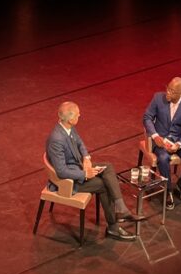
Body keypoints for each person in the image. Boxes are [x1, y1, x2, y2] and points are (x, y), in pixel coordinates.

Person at [46, 101, 141, 241]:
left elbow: (79, 142)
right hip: (68, 182)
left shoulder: (67, 127)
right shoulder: (57, 139)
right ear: (71, 119)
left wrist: (86, 158)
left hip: (77, 166)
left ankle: (121, 208)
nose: (80, 115)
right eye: (78, 114)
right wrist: (85, 174)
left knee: (108, 167)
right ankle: (113, 227)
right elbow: (61, 172)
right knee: (104, 185)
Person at [143, 76, 181, 209]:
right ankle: (168, 191)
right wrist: (155, 136)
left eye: (172, 91)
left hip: (179, 139)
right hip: (161, 139)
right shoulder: (158, 98)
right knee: (163, 158)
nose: (168, 92)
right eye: (168, 88)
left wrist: (179, 144)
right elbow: (147, 117)